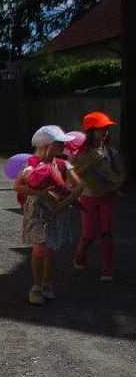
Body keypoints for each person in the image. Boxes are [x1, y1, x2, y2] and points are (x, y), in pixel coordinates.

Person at [13, 126, 82, 304]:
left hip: (56, 211)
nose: (63, 146)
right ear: (48, 145)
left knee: (51, 249)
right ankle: (36, 286)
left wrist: (63, 205)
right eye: (59, 143)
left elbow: (79, 186)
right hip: (37, 210)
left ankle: (47, 283)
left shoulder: (63, 164)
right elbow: (18, 186)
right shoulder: (31, 164)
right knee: (39, 248)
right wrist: (41, 193)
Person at [71, 111, 125, 282]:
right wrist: (83, 169)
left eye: (106, 128)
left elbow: (121, 173)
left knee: (106, 234)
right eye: (100, 129)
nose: (104, 132)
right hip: (87, 198)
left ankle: (107, 269)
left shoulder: (110, 152)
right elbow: (71, 178)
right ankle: (81, 254)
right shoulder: (79, 155)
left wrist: (115, 185)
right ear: (91, 131)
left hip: (108, 197)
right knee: (89, 235)